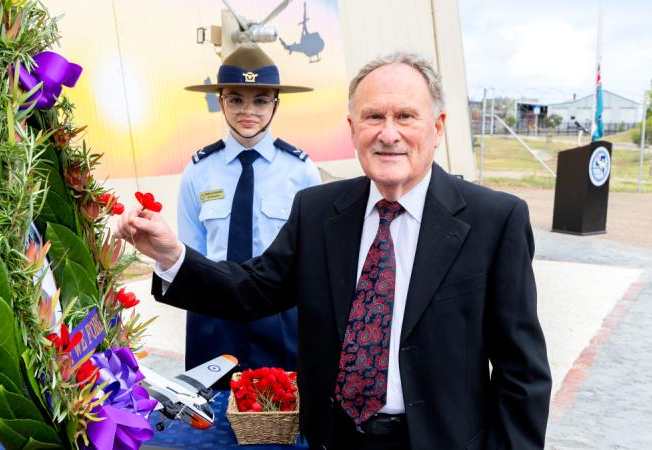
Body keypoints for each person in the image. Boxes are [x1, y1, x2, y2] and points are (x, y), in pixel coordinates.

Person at [118, 52, 551, 450]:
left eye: (405, 116)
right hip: (336, 439)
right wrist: (172, 253)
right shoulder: (319, 211)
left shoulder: (495, 221)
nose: (388, 133)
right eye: (373, 116)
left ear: (437, 127)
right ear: (352, 129)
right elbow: (250, 290)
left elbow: (522, 377)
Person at [179, 43, 321, 386]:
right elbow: (190, 252)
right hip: (213, 314)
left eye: (260, 100)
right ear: (221, 101)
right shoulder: (199, 171)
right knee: (208, 417)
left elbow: (310, 258)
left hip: (280, 315)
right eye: (236, 99)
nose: (248, 111)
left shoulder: (301, 171)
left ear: (276, 103)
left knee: (283, 420)